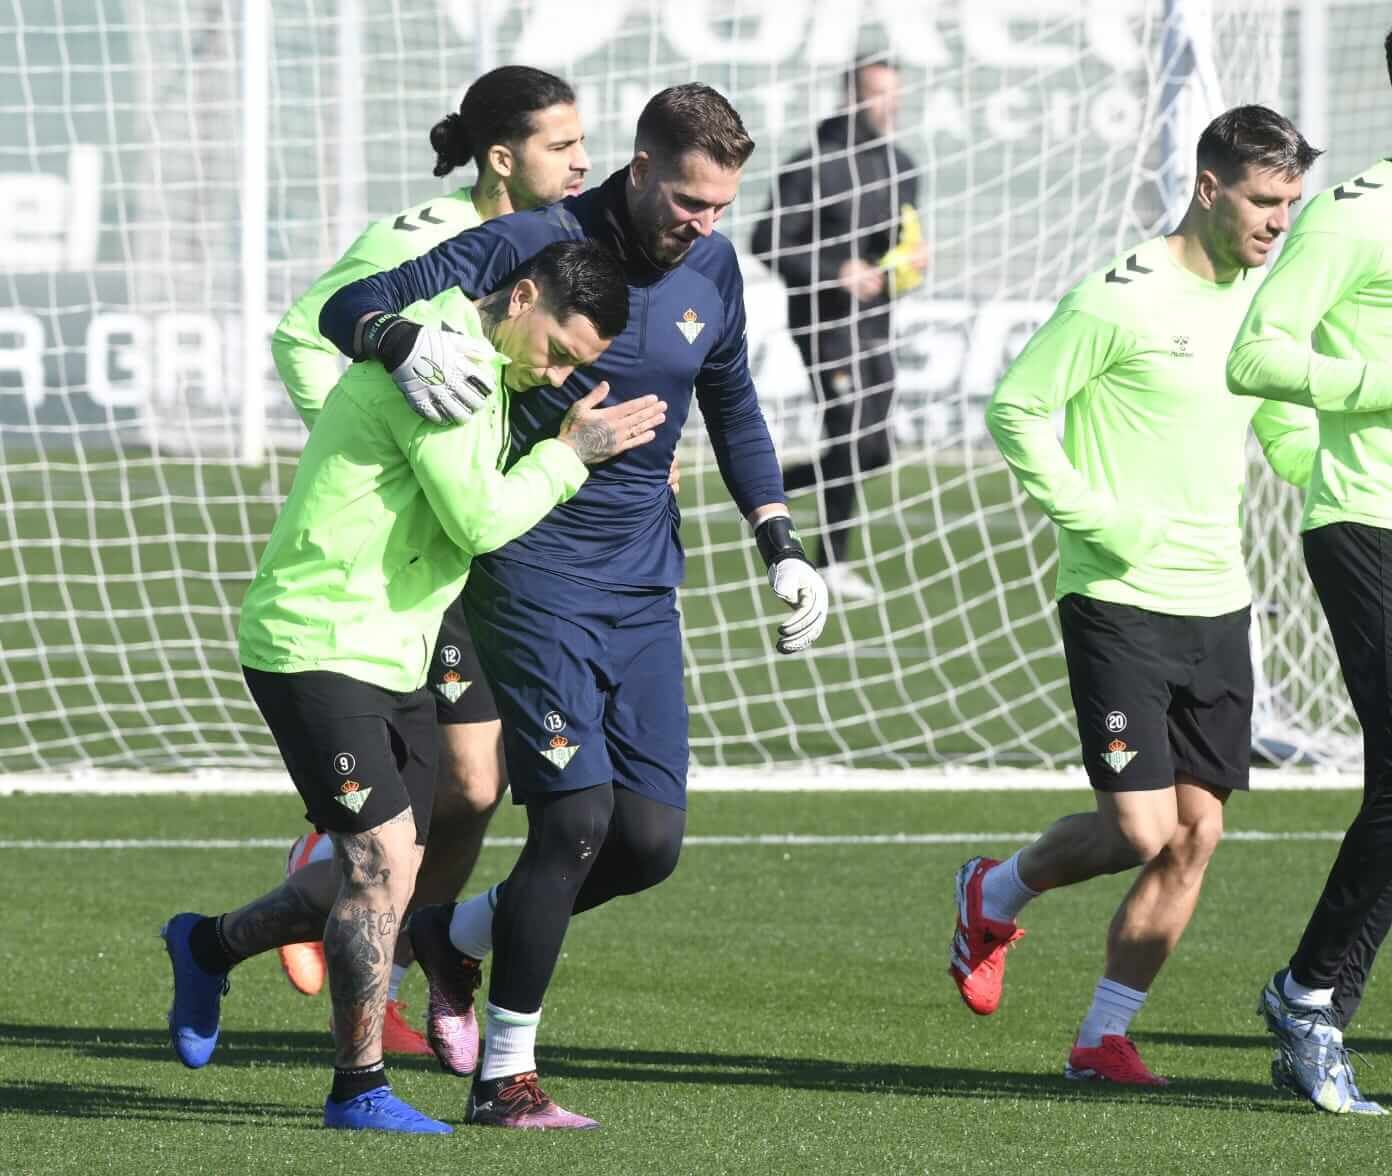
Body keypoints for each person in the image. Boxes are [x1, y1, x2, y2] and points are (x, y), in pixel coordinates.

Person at [320, 83, 831, 1128]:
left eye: (721, 206)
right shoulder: (530, 242)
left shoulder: (714, 267)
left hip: (643, 587)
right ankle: (504, 1077)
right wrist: (397, 341)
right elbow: (345, 309)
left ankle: (452, 936)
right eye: (689, 200)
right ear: (638, 168)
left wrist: (779, 537)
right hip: (527, 569)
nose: (703, 223)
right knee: (576, 819)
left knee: (646, 842)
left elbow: (730, 404)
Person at [159, 240, 667, 1135]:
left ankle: (208, 945)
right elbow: (477, 521)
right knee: (381, 864)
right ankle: (359, 1092)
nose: (556, 373)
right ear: (521, 297)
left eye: (576, 367)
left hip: (397, 647)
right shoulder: (448, 371)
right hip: (317, 638)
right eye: (557, 349)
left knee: (398, 873)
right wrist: (573, 455)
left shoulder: (479, 358)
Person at [948, 106, 1321, 1087]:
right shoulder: (1119, 298)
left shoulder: (1257, 302)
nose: (1277, 222)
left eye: (1290, 202)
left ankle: (1100, 1037)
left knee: (1196, 834)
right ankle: (993, 889)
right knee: (1140, 830)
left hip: (1219, 601)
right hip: (1117, 596)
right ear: (1210, 188)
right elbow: (1016, 407)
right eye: (1263, 200)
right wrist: (1092, 518)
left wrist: (1320, 473)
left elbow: (1275, 415)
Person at [267, 66, 592, 1052]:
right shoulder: (419, 241)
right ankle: (341, 886)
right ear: (503, 158)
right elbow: (304, 331)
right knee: (446, 786)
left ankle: (378, 957)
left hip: (490, 531)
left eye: (585, 143)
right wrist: (371, 441)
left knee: (477, 789)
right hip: (427, 537)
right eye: (560, 145)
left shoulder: (568, 246)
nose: (582, 160)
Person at [1227, 28, 1392, 1117]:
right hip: (1367, 524)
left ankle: (1316, 997)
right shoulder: (1356, 211)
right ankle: (1308, 998)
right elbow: (1258, 354)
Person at [750, 56, 927, 601]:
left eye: (893, 93)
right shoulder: (815, 165)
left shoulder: (903, 166)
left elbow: (905, 241)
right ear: (850, 96)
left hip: (876, 322)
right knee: (848, 435)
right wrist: (836, 272)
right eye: (877, 93)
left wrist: (911, 262)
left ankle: (763, 491)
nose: (888, 104)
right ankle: (830, 563)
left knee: (874, 449)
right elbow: (767, 242)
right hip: (824, 325)